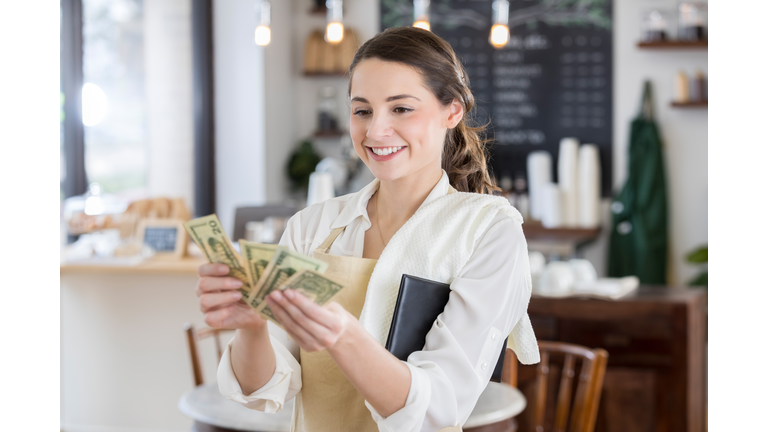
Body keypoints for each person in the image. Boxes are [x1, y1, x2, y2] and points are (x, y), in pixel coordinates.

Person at [195, 27, 539, 432]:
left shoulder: (488, 231)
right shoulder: (311, 226)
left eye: (401, 109)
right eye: (362, 111)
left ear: (453, 110)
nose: (375, 131)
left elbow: (439, 407)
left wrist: (343, 336)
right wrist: (251, 326)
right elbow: (264, 391)